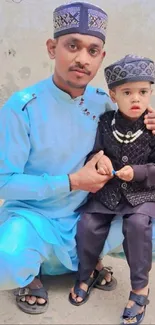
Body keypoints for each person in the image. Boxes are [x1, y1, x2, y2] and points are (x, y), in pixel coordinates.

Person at [0, 1, 155, 316]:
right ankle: (30, 274)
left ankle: (85, 259)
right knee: (6, 259)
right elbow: (5, 182)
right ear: (52, 48)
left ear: (101, 58)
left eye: (93, 50)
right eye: (72, 46)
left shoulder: (103, 102)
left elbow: (137, 128)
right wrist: (71, 181)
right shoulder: (21, 107)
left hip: (90, 214)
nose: (82, 59)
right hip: (35, 218)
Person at [70, 54, 155, 325]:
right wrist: (100, 159)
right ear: (113, 94)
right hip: (109, 189)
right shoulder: (106, 122)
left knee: (138, 225)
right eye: (127, 92)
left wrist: (139, 172)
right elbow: (95, 151)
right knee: (88, 223)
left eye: (143, 92)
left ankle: (140, 288)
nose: (136, 99)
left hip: (143, 191)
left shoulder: (152, 126)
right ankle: (87, 273)